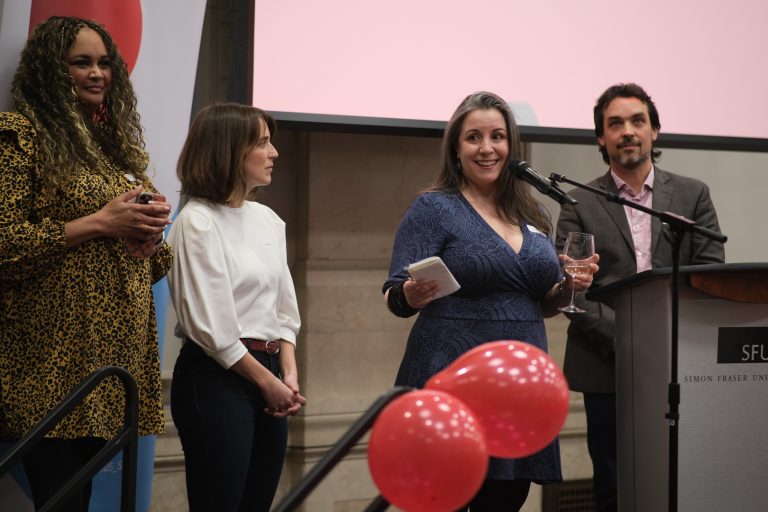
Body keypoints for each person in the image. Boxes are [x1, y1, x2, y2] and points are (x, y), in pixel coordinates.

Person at [382, 91, 599, 511]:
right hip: (450, 373)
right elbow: (395, 295)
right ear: (455, 149)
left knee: (505, 499)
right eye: (474, 137)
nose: (487, 148)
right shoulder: (433, 207)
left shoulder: (532, 212)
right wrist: (409, 293)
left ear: (512, 146)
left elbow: (545, 300)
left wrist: (570, 285)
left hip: (517, 388)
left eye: (497, 136)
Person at [0, 16, 173, 512]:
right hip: (49, 366)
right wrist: (100, 222)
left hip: (109, 364)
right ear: (51, 71)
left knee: (81, 500)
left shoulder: (112, 152)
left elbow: (154, 265)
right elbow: (7, 246)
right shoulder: (20, 136)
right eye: (82, 63)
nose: (97, 73)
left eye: (103, 63)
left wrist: (150, 235)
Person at [555, 82, 725, 512]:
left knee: (685, 478)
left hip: (682, 363)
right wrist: (627, 338)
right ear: (601, 138)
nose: (627, 131)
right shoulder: (579, 201)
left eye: (637, 121)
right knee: (614, 486)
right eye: (615, 124)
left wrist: (665, 337)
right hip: (606, 365)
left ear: (655, 131)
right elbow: (574, 287)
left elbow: (709, 273)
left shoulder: (692, 195)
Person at [167, 103, 305, 512]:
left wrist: (289, 373)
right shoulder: (196, 222)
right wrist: (267, 382)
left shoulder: (267, 219)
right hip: (216, 380)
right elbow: (210, 327)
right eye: (262, 143)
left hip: (270, 375)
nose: (274, 152)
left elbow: (284, 312)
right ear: (230, 152)